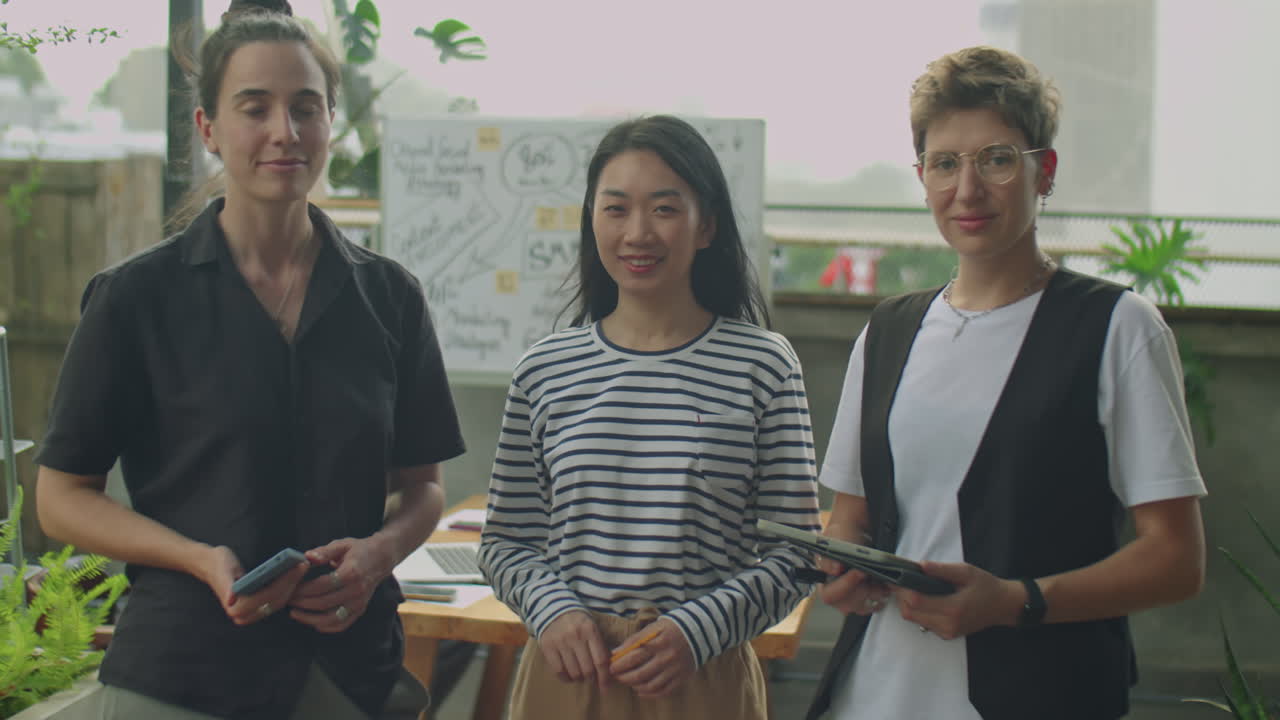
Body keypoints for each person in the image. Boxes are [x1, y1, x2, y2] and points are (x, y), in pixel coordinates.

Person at [33, 1, 465, 718]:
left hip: (348, 671)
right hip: (181, 675)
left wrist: (378, 553)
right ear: (208, 127)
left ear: (331, 121)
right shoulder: (135, 299)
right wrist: (198, 559)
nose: (283, 132)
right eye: (254, 108)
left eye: (306, 108)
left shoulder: (390, 298)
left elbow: (423, 487)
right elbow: (60, 496)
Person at [806, 46, 1206, 720]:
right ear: (922, 176)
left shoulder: (1116, 327)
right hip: (876, 692)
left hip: (1042, 693)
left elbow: (1175, 559)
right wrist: (842, 574)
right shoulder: (889, 330)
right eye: (944, 164)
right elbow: (851, 517)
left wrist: (1017, 600)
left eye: (995, 159)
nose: (966, 190)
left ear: (1043, 172)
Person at [478, 115, 821, 720]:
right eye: (616, 209)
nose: (638, 233)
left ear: (706, 224)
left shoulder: (763, 366)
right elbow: (507, 540)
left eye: (664, 209)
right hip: (568, 675)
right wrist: (552, 611)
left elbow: (796, 553)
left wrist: (696, 631)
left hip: (700, 677)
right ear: (592, 221)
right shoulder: (544, 370)